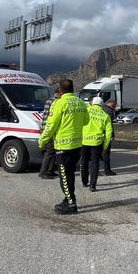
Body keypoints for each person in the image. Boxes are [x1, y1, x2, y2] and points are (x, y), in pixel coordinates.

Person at [38, 79, 89, 214]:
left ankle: (71, 205)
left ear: (60, 90)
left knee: (64, 177)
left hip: (63, 146)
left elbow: (50, 125)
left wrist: (42, 140)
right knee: (70, 174)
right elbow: (86, 121)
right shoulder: (81, 103)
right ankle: (67, 199)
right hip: (77, 145)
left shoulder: (58, 103)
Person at [80, 97, 113, 191]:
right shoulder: (105, 115)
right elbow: (109, 132)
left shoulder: (85, 110)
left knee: (84, 162)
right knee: (95, 164)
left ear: (92, 103)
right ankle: (92, 185)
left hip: (84, 141)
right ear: (102, 105)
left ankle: (84, 181)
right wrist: (105, 145)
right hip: (97, 143)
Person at [38, 88, 61, 179]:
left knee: (53, 151)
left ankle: (50, 170)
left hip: (46, 128)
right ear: (58, 93)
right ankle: (43, 172)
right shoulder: (55, 102)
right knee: (50, 152)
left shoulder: (49, 100)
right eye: (61, 93)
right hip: (50, 129)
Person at [101, 99, 117, 175]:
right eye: (114, 105)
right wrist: (112, 135)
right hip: (106, 135)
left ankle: (94, 171)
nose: (114, 107)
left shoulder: (101, 108)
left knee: (96, 154)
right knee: (106, 153)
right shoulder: (109, 111)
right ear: (110, 104)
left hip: (97, 134)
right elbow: (109, 125)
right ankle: (107, 170)